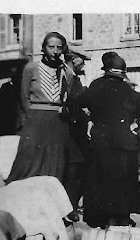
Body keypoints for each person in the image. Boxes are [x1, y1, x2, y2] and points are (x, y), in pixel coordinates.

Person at [79, 54, 140, 228]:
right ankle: (122, 217)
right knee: (124, 182)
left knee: (103, 180)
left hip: (102, 141)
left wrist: (91, 119)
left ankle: (105, 218)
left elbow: (79, 103)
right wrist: (138, 123)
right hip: (126, 142)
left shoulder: (95, 87)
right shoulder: (129, 91)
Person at [6, 32, 71, 184]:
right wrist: (31, 119)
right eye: (51, 47)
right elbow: (24, 97)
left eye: (59, 48)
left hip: (57, 121)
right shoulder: (31, 68)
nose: (55, 51)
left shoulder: (66, 71)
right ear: (43, 48)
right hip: (36, 119)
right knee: (29, 160)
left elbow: (67, 98)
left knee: (55, 161)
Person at [62, 47, 91, 222]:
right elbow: (73, 103)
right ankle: (69, 208)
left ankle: (71, 206)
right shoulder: (69, 76)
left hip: (73, 129)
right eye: (82, 60)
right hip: (72, 130)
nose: (84, 64)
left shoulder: (72, 76)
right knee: (74, 171)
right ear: (73, 59)